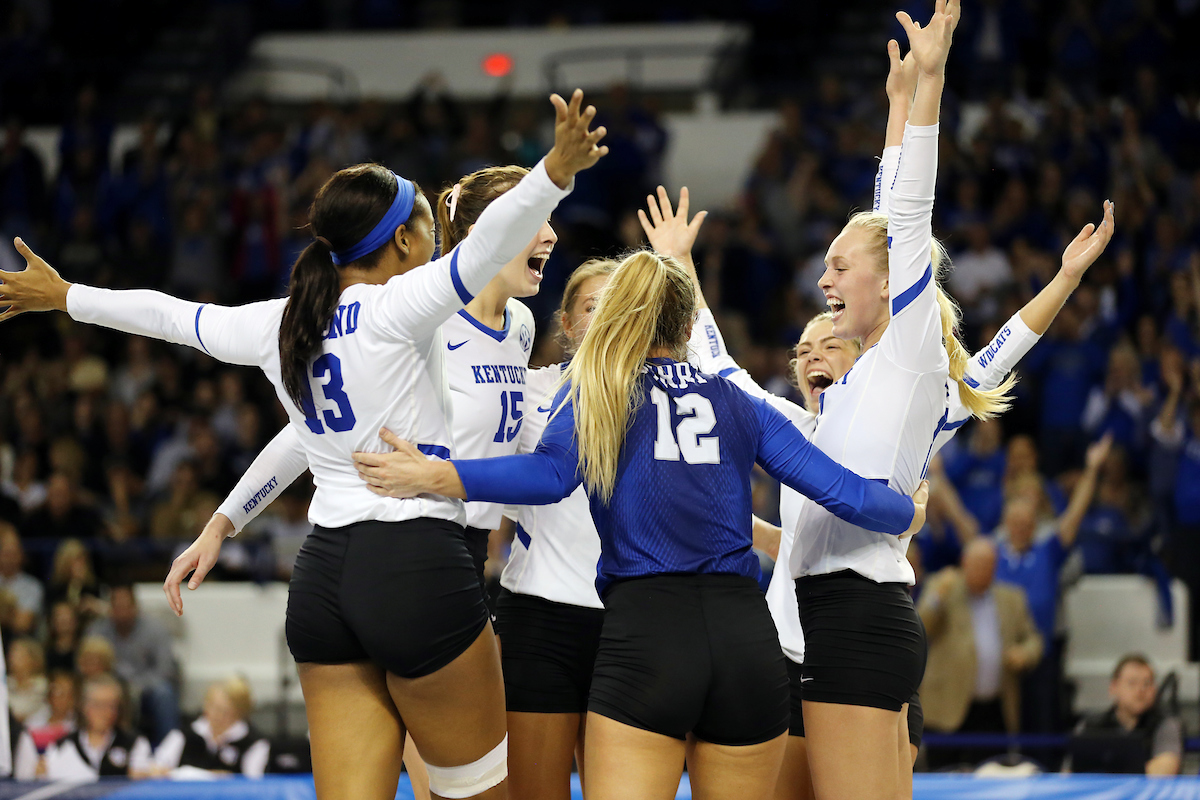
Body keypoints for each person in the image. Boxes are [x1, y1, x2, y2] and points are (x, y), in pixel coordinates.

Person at [0, 89, 606, 800]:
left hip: (322, 577)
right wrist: (554, 172)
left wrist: (68, 295)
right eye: (425, 231)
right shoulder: (403, 308)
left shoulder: (283, 320)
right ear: (406, 242)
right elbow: (491, 239)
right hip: (418, 566)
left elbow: (171, 315)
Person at [678, 25, 1114, 800]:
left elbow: (905, 216)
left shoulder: (908, 356)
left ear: (888, 285)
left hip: (855, 616)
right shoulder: (835, 405)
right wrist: (896, 103)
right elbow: (730, 367)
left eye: (838, 268)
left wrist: (930, 87)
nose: (822, 280)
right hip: (831, 618)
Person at [351, 249, 927, 800]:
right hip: (745, 641)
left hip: (648, 635)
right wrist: (909, 513)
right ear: (682, 323)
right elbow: (846, 493)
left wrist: (436, 475)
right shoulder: (738, 400)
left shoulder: (600, 390)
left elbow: (549, 477)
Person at [994, 435, 1111, 734]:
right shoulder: (994, 553)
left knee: (1044, 721)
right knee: (1003, 724)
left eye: (1026, 523)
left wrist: (1091, 470)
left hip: (1043, 654)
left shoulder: (1047, 550)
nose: (1020, 527)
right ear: (1006, 524)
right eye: (1015, 523)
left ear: (1035, 524)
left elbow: (1074, 517)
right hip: (1003, 654)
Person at [918, 539, 1042, 767]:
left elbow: (1034, 638)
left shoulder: (1011, 597)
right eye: (978, 565)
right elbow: (921, 628)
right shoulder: (943, 587)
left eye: (989, 566)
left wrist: (1025, 653)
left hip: (993, 708)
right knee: (943, 776)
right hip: (947, 705)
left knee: (991, 775)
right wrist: (938, 595)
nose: (984, 572)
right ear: (964, 563)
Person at [86, 584, 179, 744]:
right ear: (110, 608)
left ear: (135, 606)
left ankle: (168, 749)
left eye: (126, 606)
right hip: (111, 686)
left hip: (148, 688)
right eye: (117, 606)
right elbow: (88, 664)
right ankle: (104, 746)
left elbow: (165, 670)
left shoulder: (155, 628)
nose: (122, 612)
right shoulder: (98, 630)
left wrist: (137, 686)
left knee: (164, 693)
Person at [1071, 654, 1182, 776]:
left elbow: (1165, 769)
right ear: (1113, 687)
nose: (1140, 690)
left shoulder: (1165, 724)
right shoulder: (1090, 725)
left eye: (1147, 683)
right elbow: (1070, 774)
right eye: (1132, 683)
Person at [153, 676, 271, 778]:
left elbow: (253, 785)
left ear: (239, 713)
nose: (216, 715)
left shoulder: (254, 743)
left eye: (224, 711)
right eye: (211, 706)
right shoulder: (182, 735)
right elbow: (156, 770)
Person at [42, 674, 154, 780]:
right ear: (84, 706)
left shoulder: (134, 743)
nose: (106, 712)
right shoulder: (62, 746)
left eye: (112, 706)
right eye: (98, 705)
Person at [0, 524, 43, 636]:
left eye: (14, 554)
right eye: (6, 554)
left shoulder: (32, 586)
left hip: (20, 639)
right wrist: (13, 611)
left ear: (21, 556)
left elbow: (23, 625)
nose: (9, 559)